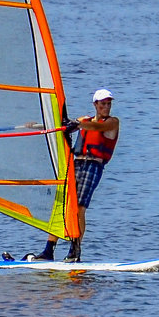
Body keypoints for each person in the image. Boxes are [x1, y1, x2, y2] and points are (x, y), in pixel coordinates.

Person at [23, 88, 118, 263]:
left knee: (79, 208)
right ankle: (48, 250)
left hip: (92, 166)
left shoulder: (112, 123)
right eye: (103, 104)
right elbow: (61, 126)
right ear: (95, 105)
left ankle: (75, 250)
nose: (106, 107)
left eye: (109, 104)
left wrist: (76, 124)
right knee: (61, 206)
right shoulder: (84, 120)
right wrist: (37, 125)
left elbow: (97, 127)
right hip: (76, 165)